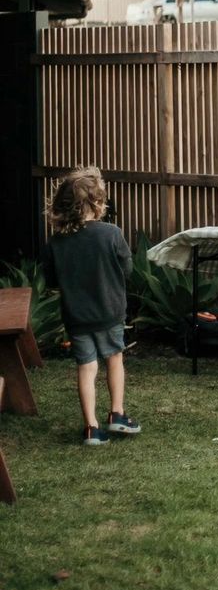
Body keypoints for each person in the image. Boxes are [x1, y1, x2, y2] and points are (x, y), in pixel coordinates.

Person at [41, 167, 140, 446]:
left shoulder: (56, 244)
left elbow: (51, 280)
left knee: (87, 368)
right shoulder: (111, 234)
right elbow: (128, 269)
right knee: (114, 359)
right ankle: (117, 415)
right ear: (98, 202)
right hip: (110, 311)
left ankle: (91, 428)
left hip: (77, 316)